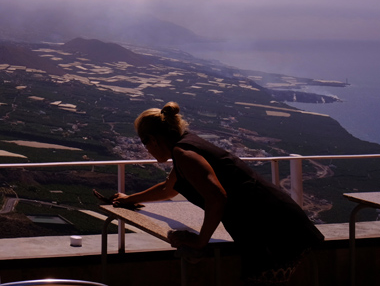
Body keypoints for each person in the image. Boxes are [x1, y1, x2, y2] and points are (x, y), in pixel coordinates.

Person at [113, 101, 324, 284]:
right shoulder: (186, 146)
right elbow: (168, 188)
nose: (146, 149)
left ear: (153, 139)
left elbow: (216, 198)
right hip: (278, 223)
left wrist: (199, 242)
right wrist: (129, 199)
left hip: (273, 231)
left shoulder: (184, 153)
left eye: (144, 142)